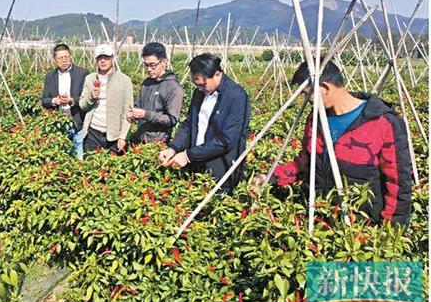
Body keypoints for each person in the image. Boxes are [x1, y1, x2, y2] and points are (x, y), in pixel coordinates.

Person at [252, 60, 412, 226]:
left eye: (307, 93)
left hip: (360, 224)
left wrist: (392, 229)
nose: (306, 100)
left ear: (325, 87)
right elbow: (306, 162)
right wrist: (272, 176)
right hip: (318, 217)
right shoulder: (316, 119)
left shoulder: (382, 122)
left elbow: (398, 182)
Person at [159, 53, 250, 192]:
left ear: (218, 74)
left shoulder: (236, 96)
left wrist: (188, 156)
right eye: (197, 85)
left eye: (203, 84)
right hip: (196, 162)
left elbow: (226, 141)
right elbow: (189, 124)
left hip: (221, 169)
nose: (200, 88)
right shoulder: (199, 93)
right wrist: (173, 148)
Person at [80, 43, 133, 155]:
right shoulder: (90, 79)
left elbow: (128, 111)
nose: (103, 61)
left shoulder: (124, 80)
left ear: (112, 58)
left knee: (112, 170)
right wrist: (91, 98)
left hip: (114, 136)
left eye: (106, 57)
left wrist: (122, 137)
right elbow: (82, 105)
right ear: (96, 60)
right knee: (91, 168)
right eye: (100, 58)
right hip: (92, 133)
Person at [128, 42, 183, 144]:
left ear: (163, 62)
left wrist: (146, 115)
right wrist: (133, 114)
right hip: (139, 141)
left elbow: (172, 119)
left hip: (157, 145)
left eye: (152, 65)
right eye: (146, 65)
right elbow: (138, 105)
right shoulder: (146, 83)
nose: (149, 69)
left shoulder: (173, 87)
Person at [41, 43, 89, 159]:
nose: (64, 60)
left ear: (70, 56)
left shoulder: (82, 73)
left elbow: (87, 98)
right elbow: (44, 100)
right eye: (60, 58)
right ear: (55, 60)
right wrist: (55, 101)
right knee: (61, 154)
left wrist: (71, 100)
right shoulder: (50, 76)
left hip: (77, 119)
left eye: (66, 57)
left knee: (78, 152)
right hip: (58, 121)